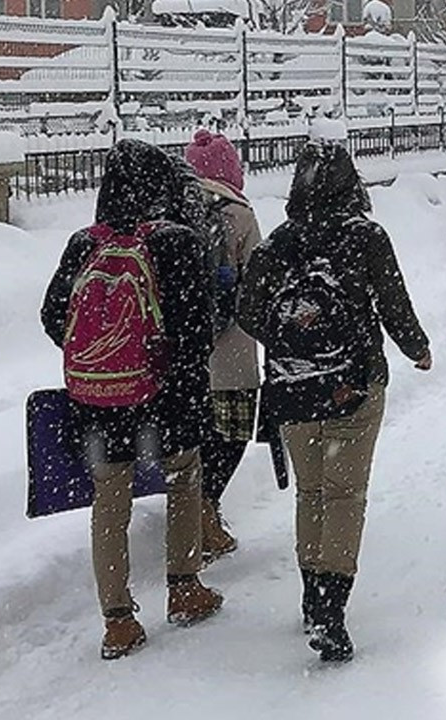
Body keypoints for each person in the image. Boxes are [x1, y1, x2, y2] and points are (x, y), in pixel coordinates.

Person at [237, 140, 432, 663]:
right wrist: (418, 348)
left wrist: (290, 336)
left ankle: (310, 595)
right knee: (345, 497)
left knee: (312, 494)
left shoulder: (278, 243)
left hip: (293, 387)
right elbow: (393, 302)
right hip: (354, 384)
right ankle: (331, 608)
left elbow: (247, 310)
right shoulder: (366, 237)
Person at [40, 139, 224, 661]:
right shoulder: (176, 241)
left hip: (97, 401)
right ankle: (185, 587)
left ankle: (117, 621)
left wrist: (103, 355)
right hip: (165, 397)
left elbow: (54, 316)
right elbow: (196, 328)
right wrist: (167, 371)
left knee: (110, 503)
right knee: (185, 479)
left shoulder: (83, 244)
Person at [184, 128, 263, 561]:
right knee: (231, 434)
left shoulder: (172, 209)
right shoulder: (240, 213)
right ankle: (207, 509)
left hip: (185, 352)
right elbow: (259, 280)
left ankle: (192, 512)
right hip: (232, 351)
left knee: (193, 436)